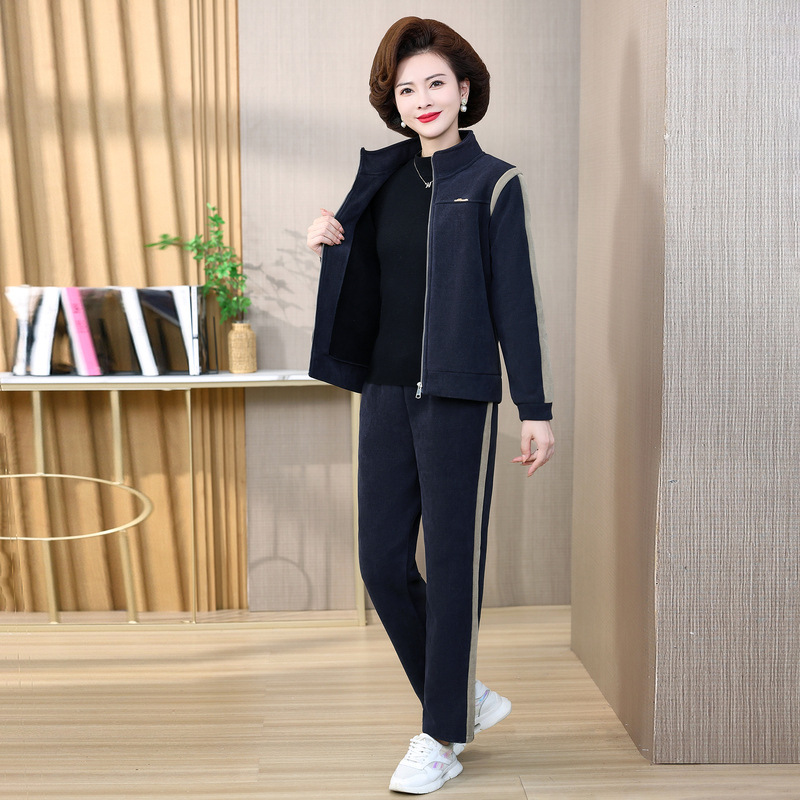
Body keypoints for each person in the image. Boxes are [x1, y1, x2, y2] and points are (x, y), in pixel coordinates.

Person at [306, 16, 554, 795]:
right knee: (382, 562)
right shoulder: (378, 180)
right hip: (384, 391)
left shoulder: (494, 183)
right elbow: (370, 279)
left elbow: (516, 302)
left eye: (436, 83)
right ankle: (462, 698)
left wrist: (535, 407)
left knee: (450, 569)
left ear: (465, 90)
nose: (423, 99)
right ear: (395, 102)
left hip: (458, 397)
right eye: (407, 88)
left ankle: (440, 735)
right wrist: (329, 237)